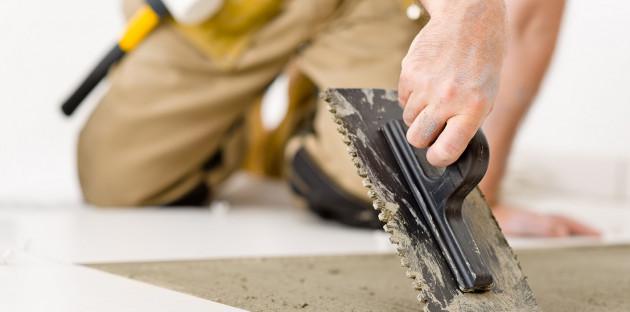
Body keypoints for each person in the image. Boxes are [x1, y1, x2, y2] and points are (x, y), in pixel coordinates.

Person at [77, 0, 597, 236]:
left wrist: (482, 197)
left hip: (367, 9)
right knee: (117, 179)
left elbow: (529, 20)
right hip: (243, 8)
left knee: (394, 184)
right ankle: (234, 122)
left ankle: (312, 104)